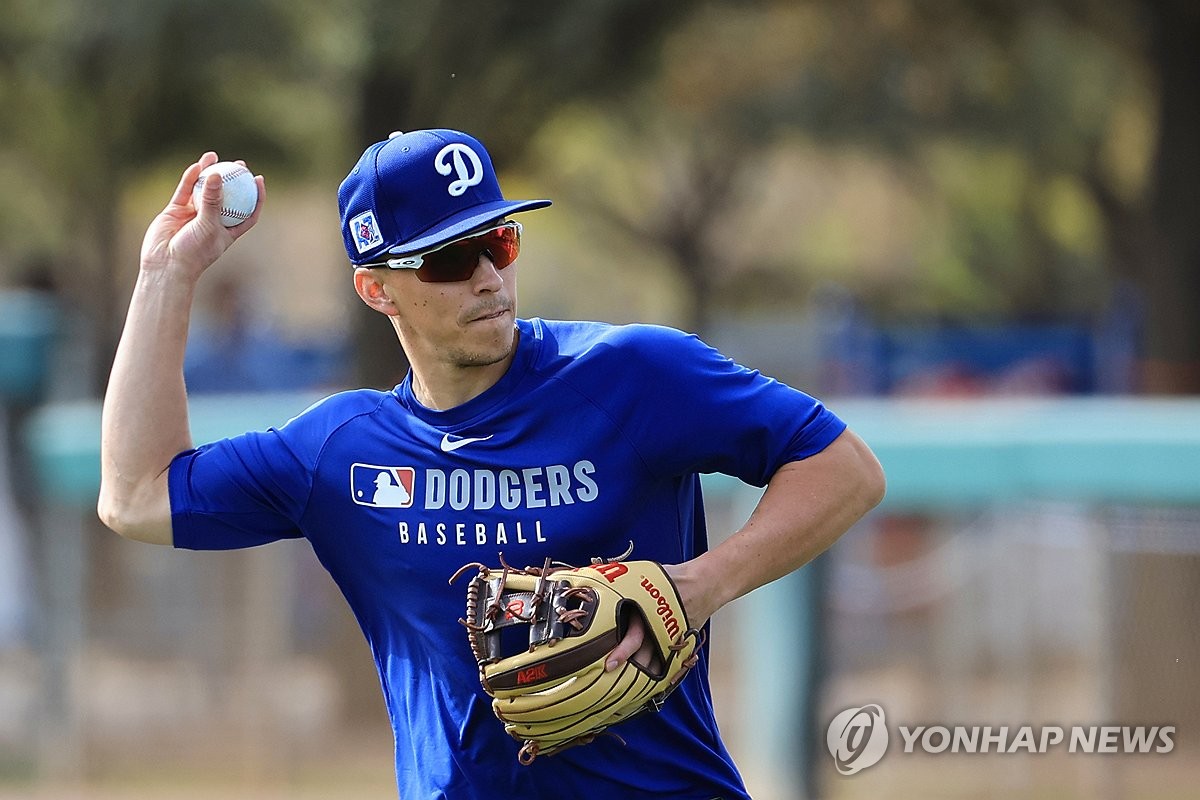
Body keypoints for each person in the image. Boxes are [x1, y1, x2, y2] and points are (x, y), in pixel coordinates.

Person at [98, 128, 886, 799]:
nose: (487, 276)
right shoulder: (341, 452)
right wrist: (166, 274)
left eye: (498, 240)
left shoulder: (633, 375)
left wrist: (699, 584)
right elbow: (135, 496)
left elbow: (844, 468)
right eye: (449, 260)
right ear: (377, 290)